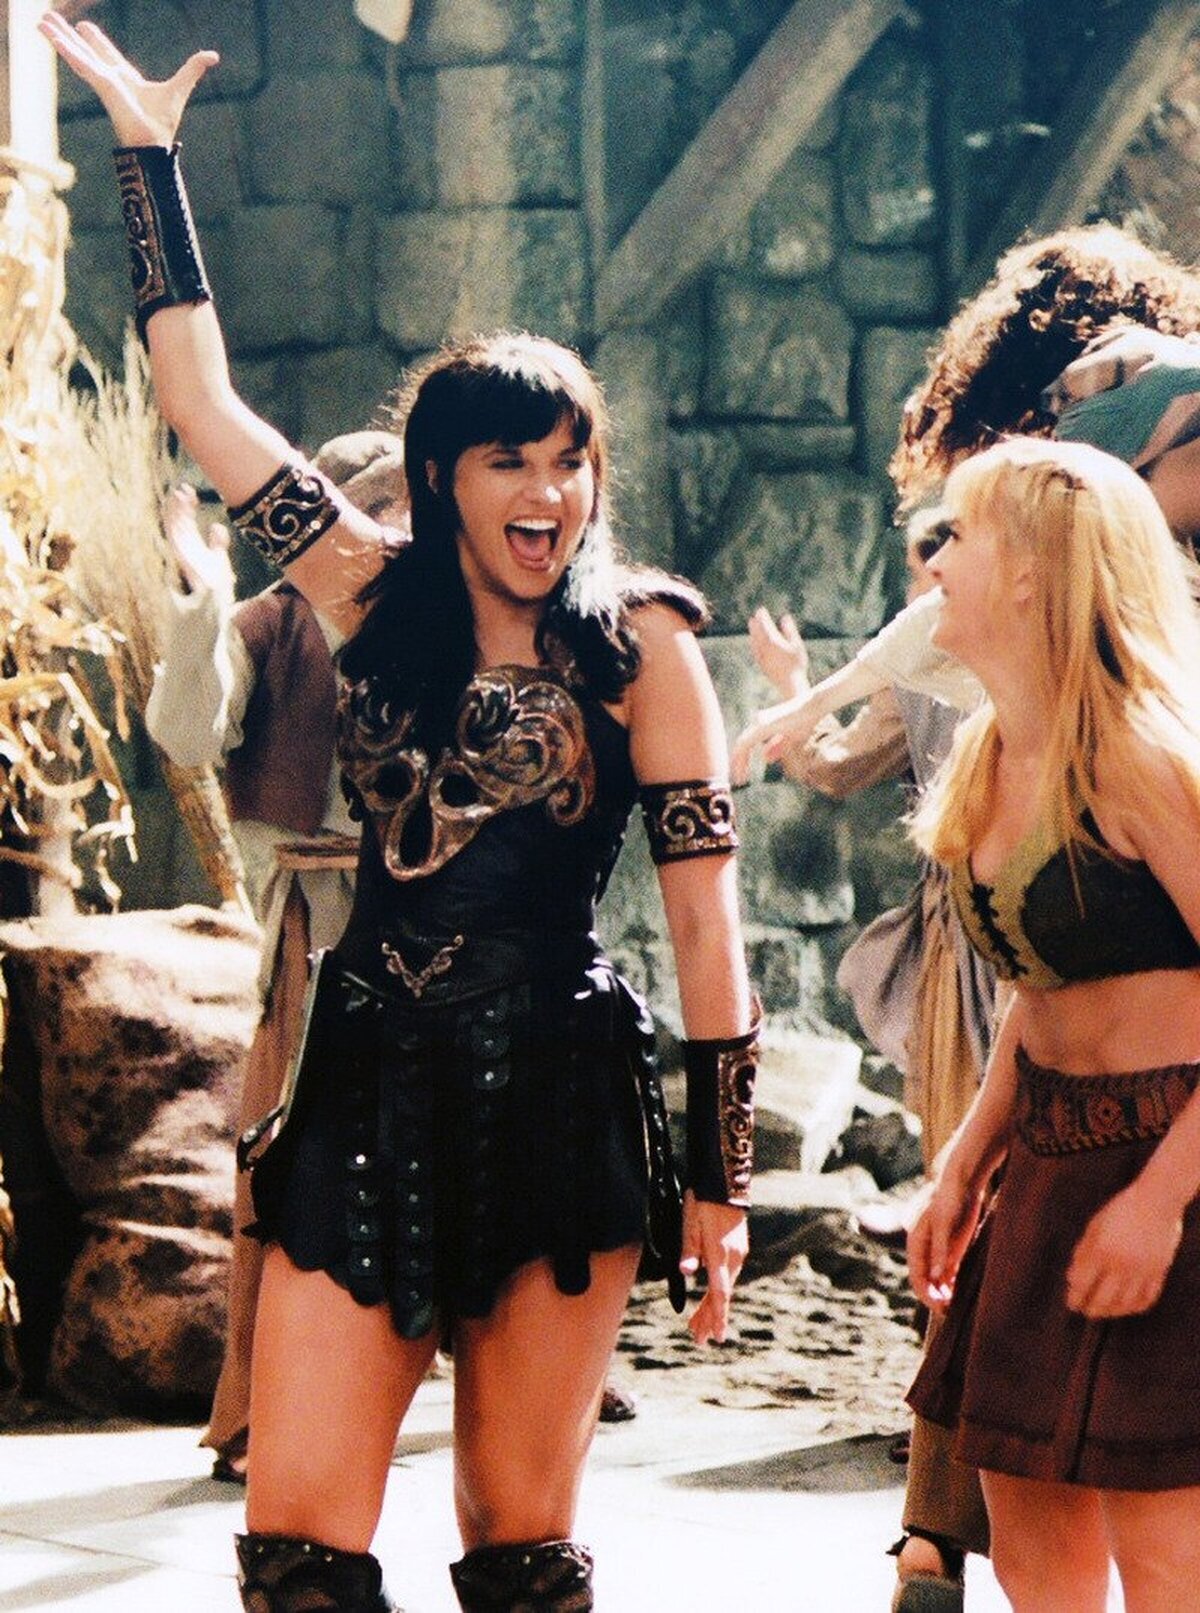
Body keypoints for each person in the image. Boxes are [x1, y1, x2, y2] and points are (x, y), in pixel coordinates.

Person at [40, 13, 758, 1611]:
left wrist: (720, 1175)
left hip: (560, 1086)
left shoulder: (642, 648)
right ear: (440, 479)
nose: (550, 493)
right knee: (296, 1552)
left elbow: (709, 928)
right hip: (369, 1070)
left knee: (518, 1550)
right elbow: (199, 397)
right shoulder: (366, 593)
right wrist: (149, 159)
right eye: (512, 461)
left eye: (572, 461)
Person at [905, 435, 1200, 1612]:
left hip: (1171, 1167)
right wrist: (968, 1157)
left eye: (958, 535)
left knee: (1169, 1556)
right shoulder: (992, 748)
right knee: (1031, 1546)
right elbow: (1042, 986)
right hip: (1050, 1165)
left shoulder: (1140, 756)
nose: (932, 560)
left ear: (1031, 571)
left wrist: (1161, 1198)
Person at [144, 434, 405, 1483]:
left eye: (407, 506)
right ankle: (262, 1406)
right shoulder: (271, 624)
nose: (391, 528)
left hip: (449, 920)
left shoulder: (456, 619)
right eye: (375, 505)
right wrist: (203, 597)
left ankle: (512, 1365)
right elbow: (187, 730)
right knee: (293, 1157)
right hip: (325, 923)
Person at [749, 517, 996, 1613]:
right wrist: (797, 690)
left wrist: (800, 692)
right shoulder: (930, 654)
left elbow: (836, 759)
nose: (931, 581)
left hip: (1030, 943)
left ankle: (946, 1526)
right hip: (971, 951)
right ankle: (936, 1526)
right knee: (967, 1215)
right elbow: (840, 764)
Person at [731, 224, 1200, 775]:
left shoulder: (1118, 407)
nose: (937, 569)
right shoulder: (1075, 556)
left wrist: (804, 693)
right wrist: (809, 697)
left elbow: (842, 762)